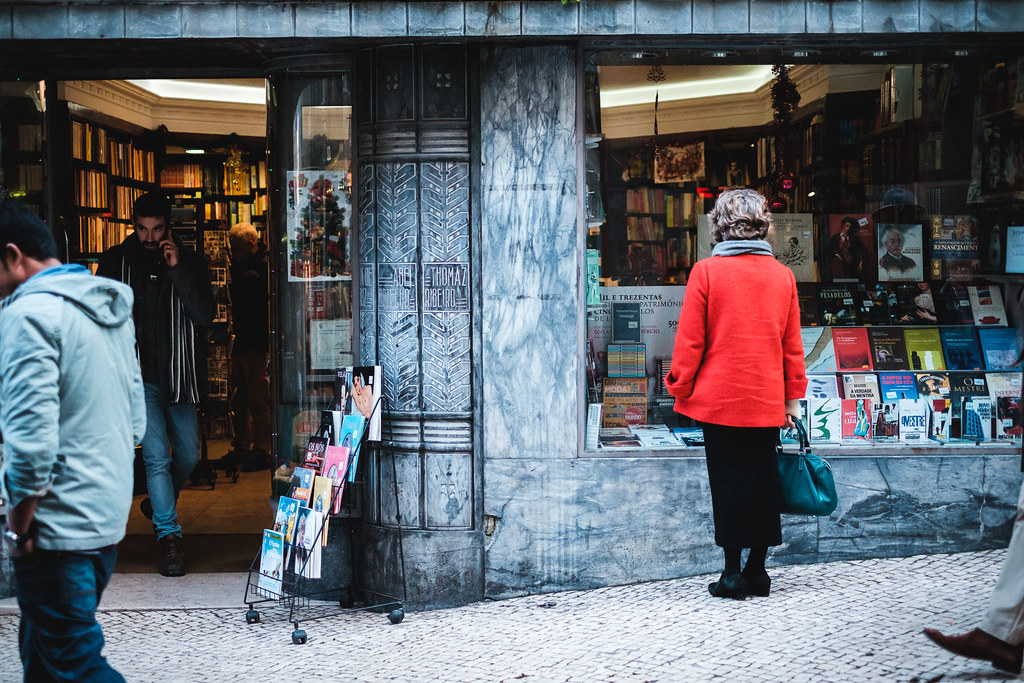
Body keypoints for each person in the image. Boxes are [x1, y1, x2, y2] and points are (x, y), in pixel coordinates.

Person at [0, 201, 146, 680]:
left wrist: (18, 527)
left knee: (75, 663)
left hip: (54, 525)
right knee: (43, 658)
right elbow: (136, 422)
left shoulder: (28, 316)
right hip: (102, 517)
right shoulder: (105, 308)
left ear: (12, 256)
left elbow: (30, 443)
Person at [665, 188, 807, 600]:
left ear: (719, 225)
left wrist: (680, 386)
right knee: (763, 484)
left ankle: (731, 574)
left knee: (728, 485)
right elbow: (791, 347)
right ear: (764, 225)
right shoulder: (783, 275)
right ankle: (758, 572)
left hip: (719, 400)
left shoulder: (706, 272)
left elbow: (690, 343)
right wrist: (791, 401)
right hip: (766, 401)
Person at [97, 191, 215, 577]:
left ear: (169, 226)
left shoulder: (191, 261)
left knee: (188, 456)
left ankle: (156, 507)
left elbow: (203, 315)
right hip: (138, 378)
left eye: (157, 229)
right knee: (156, 459)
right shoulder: (116, 259)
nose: (149, 238)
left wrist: (177, 268)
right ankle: (169, 537)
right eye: (142, 229)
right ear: (134, 224)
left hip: (180, 377)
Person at [216, 222, 271, 472]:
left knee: (259, 399)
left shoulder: (266, 265)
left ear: (251, 243)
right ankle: (242, 447)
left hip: (258, 343)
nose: (233, 251)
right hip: (239, 342)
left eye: (237, 247)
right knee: (238, 399)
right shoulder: (238, 265)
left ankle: (262, 450)